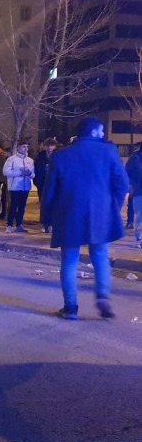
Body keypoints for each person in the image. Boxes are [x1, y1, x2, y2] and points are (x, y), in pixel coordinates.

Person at [42, 117, 129, 320]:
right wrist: (112, 207)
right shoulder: (108, 151)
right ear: (93, 132)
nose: (103, 135)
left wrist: (47, 218)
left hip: (68, 214)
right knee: (100, 255)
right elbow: (122, 184)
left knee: (69, 260)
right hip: (100, 214)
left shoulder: (60, 155)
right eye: (101, 131)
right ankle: (103, 296)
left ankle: (70, 308)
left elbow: (49, 191)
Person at [3, 140, 35, 233]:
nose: (26, 149)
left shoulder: (30, 160)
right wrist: (20, 173)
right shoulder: (11, 159)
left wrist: (29, 173)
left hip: (25, 187)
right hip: (15, 187)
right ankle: (9, 225)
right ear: (18, 148)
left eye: (27, 147)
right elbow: (6, 172)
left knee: (22, 207)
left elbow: (33, 174)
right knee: (14, 206)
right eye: (23, 147)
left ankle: (19, 224)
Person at [34, 138, 57, 233]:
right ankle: (45, 224)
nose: (49, 148)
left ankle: (52, 224)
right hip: (42, 185)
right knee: (44, 205)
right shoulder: (40, 157)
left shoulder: (57, 156)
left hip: (54, 186)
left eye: (51, 145)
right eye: (47, 145)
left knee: (54, 205)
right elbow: (36, 170)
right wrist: (37, 182)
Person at [125, 142, 142, 248]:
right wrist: (130, 186)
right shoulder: (135, 157)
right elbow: (127, 173)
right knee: (140, 216)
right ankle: (139, 238)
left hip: (138, 190)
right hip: (139, 191)